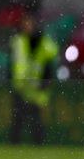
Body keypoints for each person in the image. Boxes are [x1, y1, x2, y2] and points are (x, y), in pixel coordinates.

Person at [10, 13, 58, 144]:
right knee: (18, 120)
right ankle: (15, 145)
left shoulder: (43, 42)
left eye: (28, 24)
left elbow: (49, 65)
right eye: (24, 24)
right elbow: (13, 63)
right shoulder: (19, 41)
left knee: (36, 120)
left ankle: (38, 144)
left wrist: (46, 82)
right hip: (21, 86)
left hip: (37, 87)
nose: (26, 27)